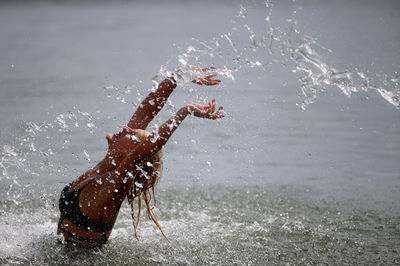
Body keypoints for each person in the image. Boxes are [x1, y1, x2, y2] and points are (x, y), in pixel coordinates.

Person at [57, 67, 224, 251]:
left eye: (134, 137)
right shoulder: (110, 164)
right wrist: (179, 76)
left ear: (133, 155)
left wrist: (185, 111)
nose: (128, 129)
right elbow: (146, 111)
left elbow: (147, 149)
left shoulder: (114, 184)